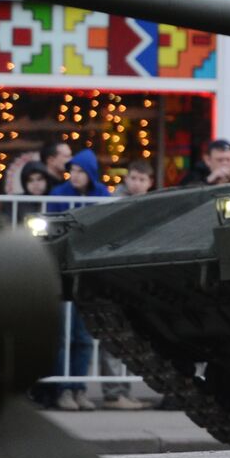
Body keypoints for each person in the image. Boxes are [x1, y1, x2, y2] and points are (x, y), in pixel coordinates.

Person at [46, 148, 110, 411]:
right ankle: (63, 389)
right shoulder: (59, 194)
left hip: (87, 273)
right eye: (72, 170)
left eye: (81, 171)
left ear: (91, 174)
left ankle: (79, 388)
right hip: (62, 270)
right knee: (63, 335)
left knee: (83, 336)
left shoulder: (102, 195)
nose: (75, 175)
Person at [92, 159, 153, 410]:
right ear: (126, 179)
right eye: (134, 178)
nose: (137, 183)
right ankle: (114, 391)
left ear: (149, 183)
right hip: (112, 274)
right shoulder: (113, 204)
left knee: (129, 336)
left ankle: (122, 390)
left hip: (132, 276)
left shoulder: (151, 205)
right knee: (113, 335)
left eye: (142, 179)